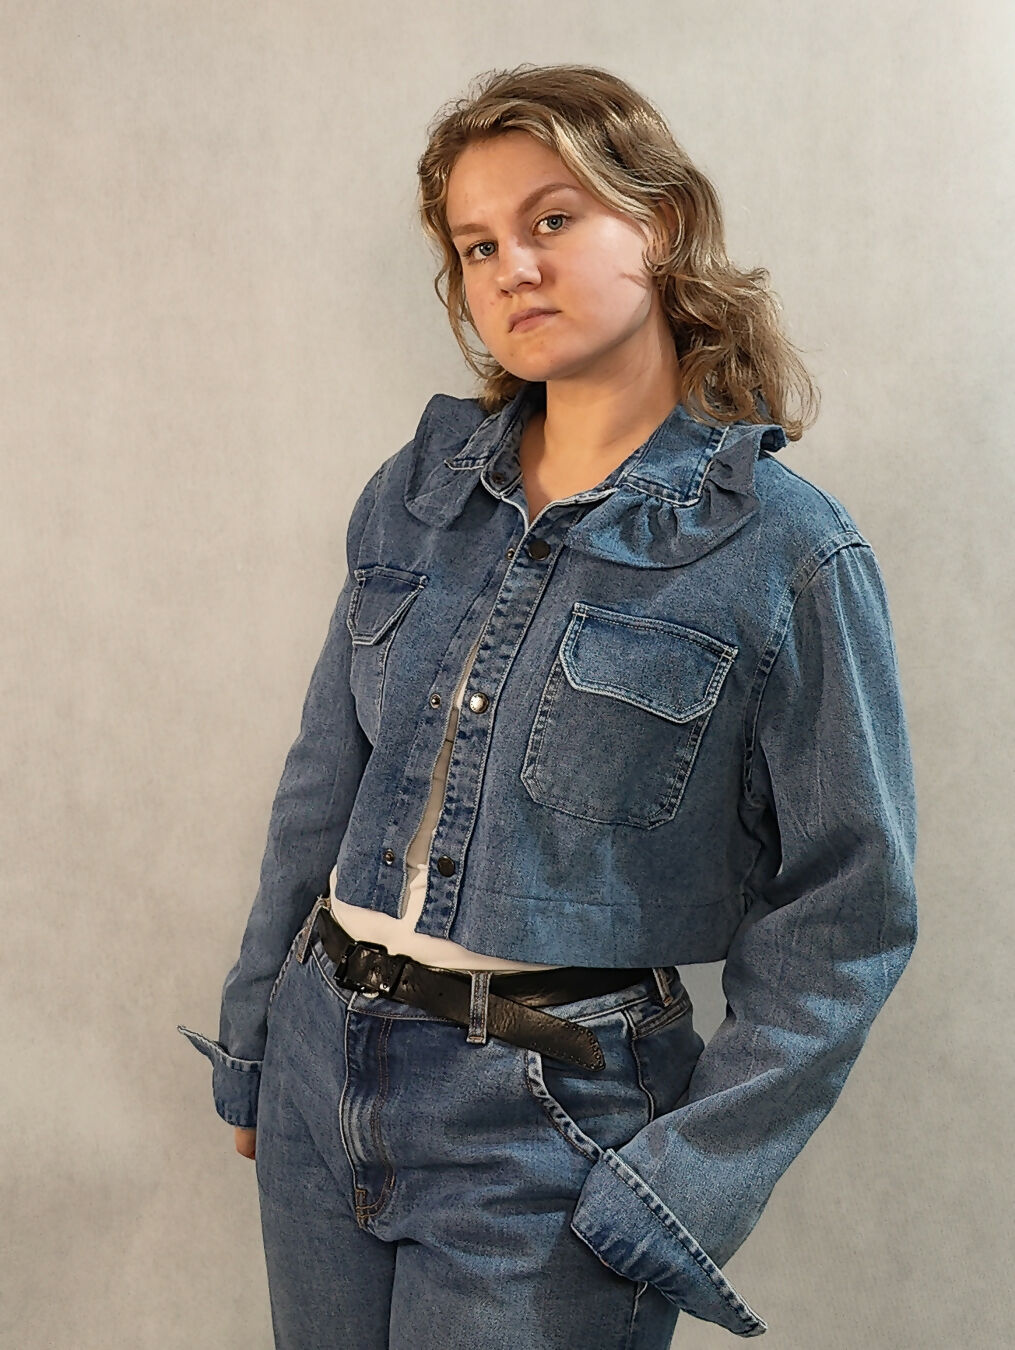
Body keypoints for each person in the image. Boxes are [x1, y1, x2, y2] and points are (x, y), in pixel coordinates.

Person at [178, 62, 918, 1349]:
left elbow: (847, 911)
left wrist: (686, 1180)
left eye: (551, 220)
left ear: (661, 223)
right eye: (477, 245)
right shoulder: (415, 494)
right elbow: (322, 784)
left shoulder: (785, 553)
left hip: (548, 1127)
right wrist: (256, 1033)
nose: (510, 268)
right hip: (319, 1066)